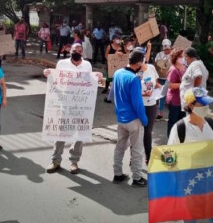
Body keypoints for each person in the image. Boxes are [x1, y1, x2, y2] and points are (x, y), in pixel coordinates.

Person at [167, 87, 213, 223]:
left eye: (207, 104)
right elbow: (168, 156)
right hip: (190, 182)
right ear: (191, 106)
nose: (206, 107)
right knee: (189, 221)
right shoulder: (180, 128)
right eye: (202, 104)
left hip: (212, 179)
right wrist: (176, 178)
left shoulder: (211, 124)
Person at [43, 43, 102, 174]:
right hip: (65, 104)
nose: (78, 52)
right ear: (70, 51)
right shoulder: (62, 64)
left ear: (83, 53)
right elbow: (56, 80)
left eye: (80, 50)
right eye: (75, 50)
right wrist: (47, 73)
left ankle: (74, 161)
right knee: (61, 132)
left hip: (81, 105)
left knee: (79, 133)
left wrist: (98, 76)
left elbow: (90, 82)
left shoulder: (87, 65)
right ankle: (55, 160)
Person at [112, 48, 148, 187]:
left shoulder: (117, 73)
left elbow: (113, 95)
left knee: (120, 146)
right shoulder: (134, 79)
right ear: (139, 63)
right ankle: (137, 177)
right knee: (137, 149)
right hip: (133, 120)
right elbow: (138, 104)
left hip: (121, 118)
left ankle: (117, 173)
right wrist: (144, 120)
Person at [140, 53, 161, 165]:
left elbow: (155, 82)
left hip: (152, 103)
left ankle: (149, 156)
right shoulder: (135, 72)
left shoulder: (151, 67)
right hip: (139, 105)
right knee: (137, 131)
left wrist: (158, 87)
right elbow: (131, 91)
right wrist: (144, 94)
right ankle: (134, 156)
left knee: (148, 132)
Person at [166, 49, 187, 137]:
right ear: (176, 58)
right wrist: (183, 84)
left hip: (182, 99)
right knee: (173, 121)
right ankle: (170, 139)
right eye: (181, 57)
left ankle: (179, 138)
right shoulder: (173, 70)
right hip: (174, 100)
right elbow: (170, 85)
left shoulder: (184, 67)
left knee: (181, 121)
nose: (183, 58)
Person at [155, 38, 172, 119]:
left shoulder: (172, 55)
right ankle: (159, 112)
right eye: (165, 49)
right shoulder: (159, 54)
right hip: (159, 76)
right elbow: (155, 63)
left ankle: (161, 112)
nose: (166, 50)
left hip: (168, 78)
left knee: (164, 95)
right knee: (159, 94)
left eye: (168, 49)